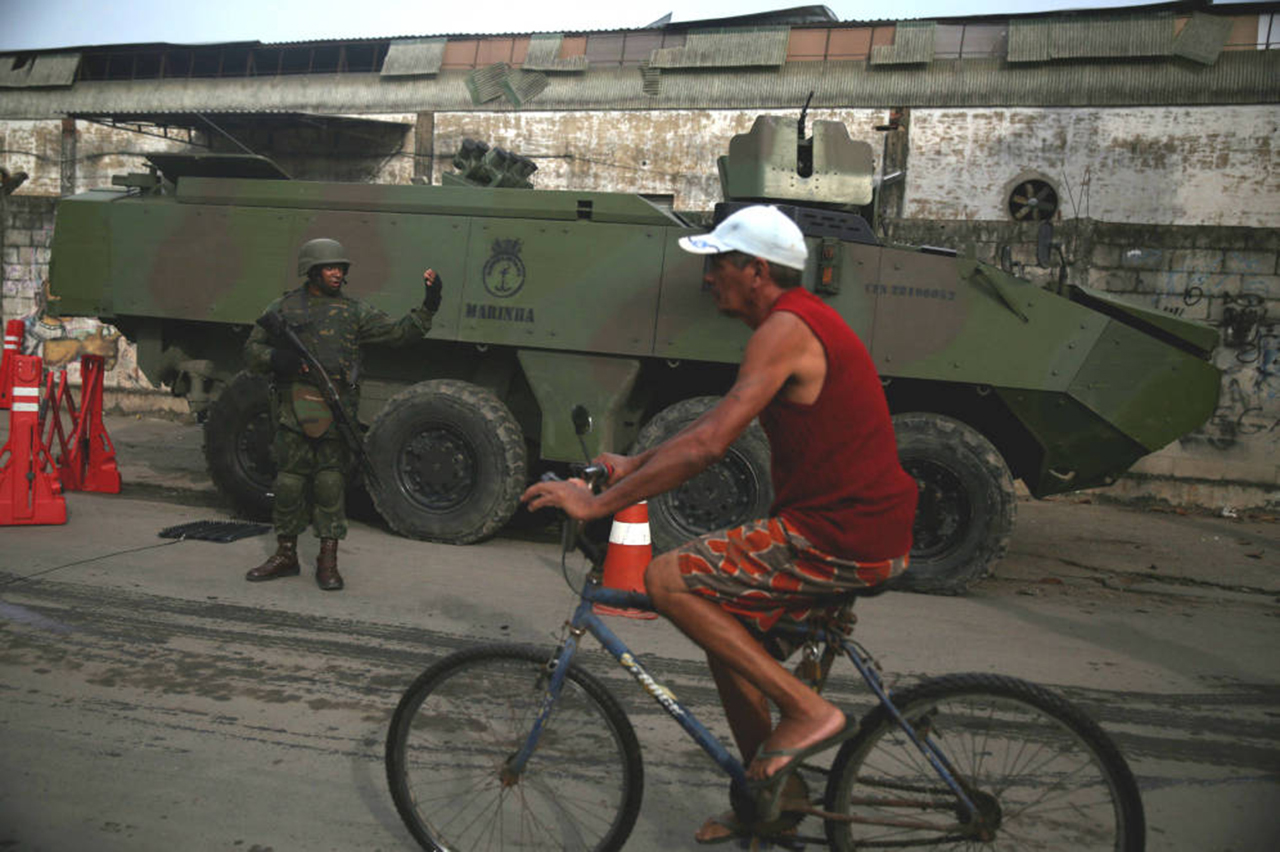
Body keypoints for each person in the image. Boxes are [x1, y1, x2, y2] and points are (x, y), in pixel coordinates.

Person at [521, 204, 918, 843]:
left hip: (839, 533)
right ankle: (773, 801)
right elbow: (714, 431)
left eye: (717, 266)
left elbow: (707, 446)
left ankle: (808, 713)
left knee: (670, 579)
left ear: (755, 270)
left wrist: (595, 505)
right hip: (854, 526)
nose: (708, 280)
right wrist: (631, 467)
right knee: (725, 640)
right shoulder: (798, 325)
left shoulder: (785, 329)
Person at [244, 237, 442, 591]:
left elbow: (399, 333)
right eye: (330, 268)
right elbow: (252, 349)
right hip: (294, 411)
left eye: (341, 268)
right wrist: (278, 359)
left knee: (330, 484)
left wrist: (430, 303)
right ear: (312, 271)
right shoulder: (285, 308)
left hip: (336, 413)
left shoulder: (354, 312)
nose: (337, 274)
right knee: (289, 483)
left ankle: (328, 561)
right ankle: (285, 554)